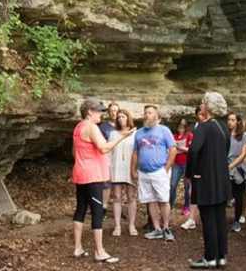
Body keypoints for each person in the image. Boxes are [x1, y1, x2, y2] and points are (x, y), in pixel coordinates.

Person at [72, 99, 133, 263]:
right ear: (90, 112)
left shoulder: (78, 127)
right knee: (97, 212)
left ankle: (78, 248)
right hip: (93, 176)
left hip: (81, 174)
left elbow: (75, 151)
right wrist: (122, 137)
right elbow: (104, 147)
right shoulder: (91, 127)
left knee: (81, 210)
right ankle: (99, 251)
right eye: (99, 111)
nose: (101, 114)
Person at [188, 92, 231, 269]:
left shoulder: (203, 127)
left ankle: (209, 258)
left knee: (208, 219)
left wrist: (192, 173)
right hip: (221, 178)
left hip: (205, 179)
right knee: (220, 218)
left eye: (203, 103)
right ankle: (221, 256)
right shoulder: (224, 127)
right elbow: (225, 150)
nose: (202, 106)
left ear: (209, 106)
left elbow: (193, 151)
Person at [130, 105, 176, 241]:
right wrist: (133, 170)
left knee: (163, 200)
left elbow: (173, 149)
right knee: (150, 200)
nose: (146, 115)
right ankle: (156, 229)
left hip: (159, 171)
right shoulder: (139, 133)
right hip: (143, 173)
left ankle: (166, 228)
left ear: (156, 116)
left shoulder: (164, 130)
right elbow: (135, 153)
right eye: (145, 113)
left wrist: (166, 168)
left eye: (150, 113)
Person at [109, 109, 139, 237]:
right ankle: (117, 226)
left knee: (131, 197)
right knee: (117, 197)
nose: (121, 119)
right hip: (116, 168)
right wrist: (108, 170)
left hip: (130, 168)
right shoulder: (113, 133)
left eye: (123, 116)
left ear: (128, 118)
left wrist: (136, 169)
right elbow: (109, 152)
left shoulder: (135, 133)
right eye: (119, 117)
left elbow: (138, 152)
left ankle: (132, 225)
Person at [227, 112, 246, 233]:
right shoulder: (225, 134)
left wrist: (232, 165)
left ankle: (237, 220)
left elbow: (244, 153)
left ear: (238, 122)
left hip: (238, 168)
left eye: (233, 120)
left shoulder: (244, 136)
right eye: (229, 120)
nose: (230, 122)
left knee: (239, 195)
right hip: (226, 166)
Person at [170, 119, 192, 211]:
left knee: (187, 186)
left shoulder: (190, 135)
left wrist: (180, 147)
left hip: (186, 162)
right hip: (176, 163)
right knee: (173, 184)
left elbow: (191, 150)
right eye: (179, 126)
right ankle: (170, 205)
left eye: (183, 126)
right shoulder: (174, 136)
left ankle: (186, 206)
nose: (181, 128)